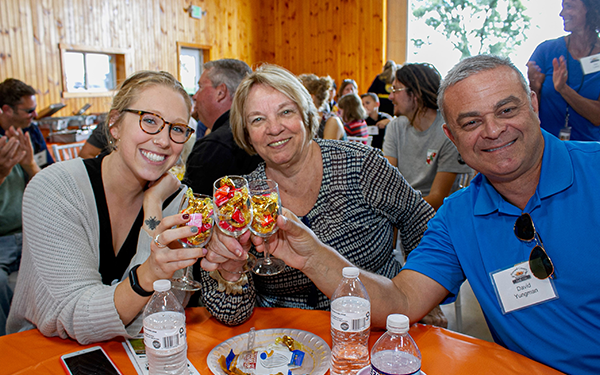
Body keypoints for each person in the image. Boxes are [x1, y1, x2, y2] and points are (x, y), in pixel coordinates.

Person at [225, 55, 600, 374]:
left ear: (534, 104)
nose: (493, 130)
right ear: (451, 138)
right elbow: (401, 302)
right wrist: (311, 255)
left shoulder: (594, 172)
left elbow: (412, 215)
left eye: (506, 109)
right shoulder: (458, 217)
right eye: (471, 122)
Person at [198, 64, 437, 327]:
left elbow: (422, 219)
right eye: (258, 119)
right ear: (246, 133)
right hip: (285, 340)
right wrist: (231, 275)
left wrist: (418, 294)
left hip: (374, 323)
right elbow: (231, 316)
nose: (274, 128)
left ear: (306, 114)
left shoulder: (359, 165)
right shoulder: (238, 200)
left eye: (285, 112)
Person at [6, 71, 204, 344]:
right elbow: (77, 316)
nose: (164, 140)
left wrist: (153, 206)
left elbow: (165, 309)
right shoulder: (55, 189)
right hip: (41, 352)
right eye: (149, 121)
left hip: (127, 355)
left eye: (178, 128)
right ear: (114, 124)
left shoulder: (175, 201)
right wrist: (148, 274)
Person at [0, 78, 54, 336]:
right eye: (28, 111)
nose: (35, 115)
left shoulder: (32, 132)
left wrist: (30, 165)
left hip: (32, 229)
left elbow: (51, 183)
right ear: (6, 110)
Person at [383, 63, 472, 211]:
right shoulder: (395, 127)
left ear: (416, 94)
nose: (390, 96)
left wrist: (397, 211)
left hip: (437, 218)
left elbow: (438, 197)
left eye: (395, 90)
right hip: (402, 210)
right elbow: (387, 180)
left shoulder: (447, 131)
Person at [182, 59, 262, 196]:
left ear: (221, 92)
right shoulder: (257, 130)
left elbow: (189, 209)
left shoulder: (213, 147)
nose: (195, 96)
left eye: (200, 87)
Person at [527, 0, 600, 141]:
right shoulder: (546, 51)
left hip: (588, 153)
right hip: (546, 147)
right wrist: (533, 87)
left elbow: (597, 117)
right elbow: (529, 111)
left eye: (569, 6)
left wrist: (563, 89)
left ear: (590, 9)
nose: (562, 13)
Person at [298, 73, 346, 140]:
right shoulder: (304, 122)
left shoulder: (332, 122)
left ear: (311, 98)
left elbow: (326, 150)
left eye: (298, 96)